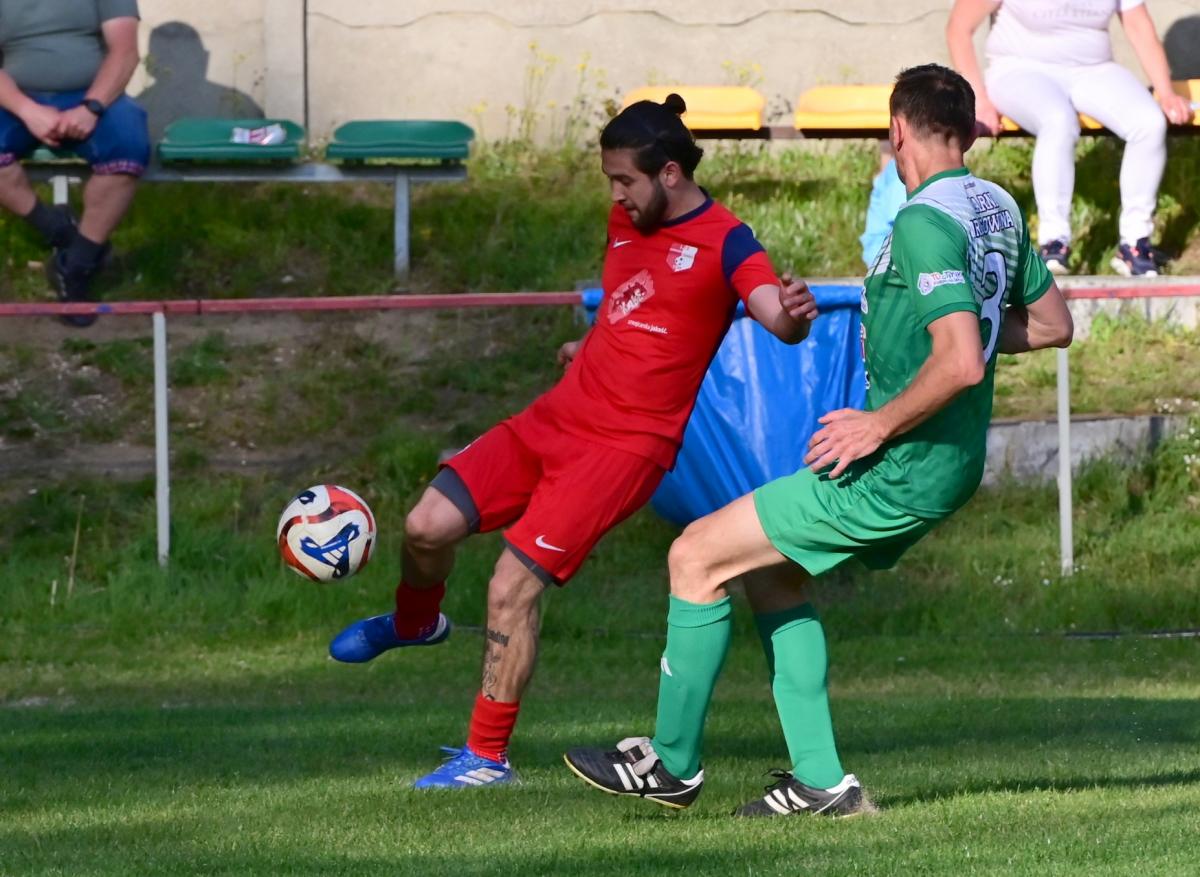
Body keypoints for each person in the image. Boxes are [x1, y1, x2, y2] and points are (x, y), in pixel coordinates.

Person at [563, 64, 1074, 816]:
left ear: (896, 131)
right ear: (968, 132)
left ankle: (670, 763)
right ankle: (821, 783)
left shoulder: (923, 220)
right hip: (948, 461)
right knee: (770, 575)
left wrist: (877, 422)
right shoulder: (995, 205)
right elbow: (1054, 324)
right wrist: (962, 339)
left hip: (900, 465)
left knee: (694, 555)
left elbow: (962, 361)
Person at [327, 93, 820, 789]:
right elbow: (632, 302)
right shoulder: (628, 219)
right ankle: (416, 621)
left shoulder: (729, 241)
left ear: (671, 173)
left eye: (625, 180)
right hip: (559, 416)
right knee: (426, 524)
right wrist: (589, 347)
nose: (615, 195)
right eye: (609, 180)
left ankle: (486, 758)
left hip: (622, 450)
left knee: (510, 584)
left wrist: (795, 316)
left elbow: (774, 314)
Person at [946, 0, 1194, 277]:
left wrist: (1166, 93)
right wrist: (978, 99)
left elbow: (1138, 26)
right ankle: (1054, 243)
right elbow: (959, 29)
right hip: (1020, 69)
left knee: (1148, 122)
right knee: (1058, 121)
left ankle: (1135, 244)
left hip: (1094, 69)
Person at [0, 0, 149, 326]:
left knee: (129, 148)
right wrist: (28, 110)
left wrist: (91, 108)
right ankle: (58, 230)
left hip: (93, 95)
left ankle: (76, 267)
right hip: (15, 99)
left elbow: (124, 52)